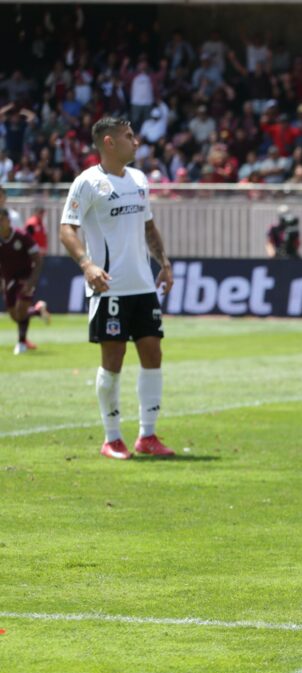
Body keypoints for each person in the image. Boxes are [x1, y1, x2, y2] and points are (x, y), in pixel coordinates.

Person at [59, 116, 175, 460]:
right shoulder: (87, 183)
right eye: (128, 136)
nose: (135, 141)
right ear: (108, 142)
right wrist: (87, 264)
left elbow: (148, 227)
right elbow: (67, 230)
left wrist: (164, 263)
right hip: (108, 287)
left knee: (153, 352)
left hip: (142, 286)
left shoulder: (139, 180)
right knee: (114, 359)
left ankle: (147, 436)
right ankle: (112, 438)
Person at [0, 208, 50, 354]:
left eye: (1, 219)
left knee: (21, 310)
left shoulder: (22, 236)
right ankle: (37, 310)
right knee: (14, 315)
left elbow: (38, 260)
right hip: (9, 278)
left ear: (8, 221)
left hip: (25, 277)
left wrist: (31, 282)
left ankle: (21, 343)